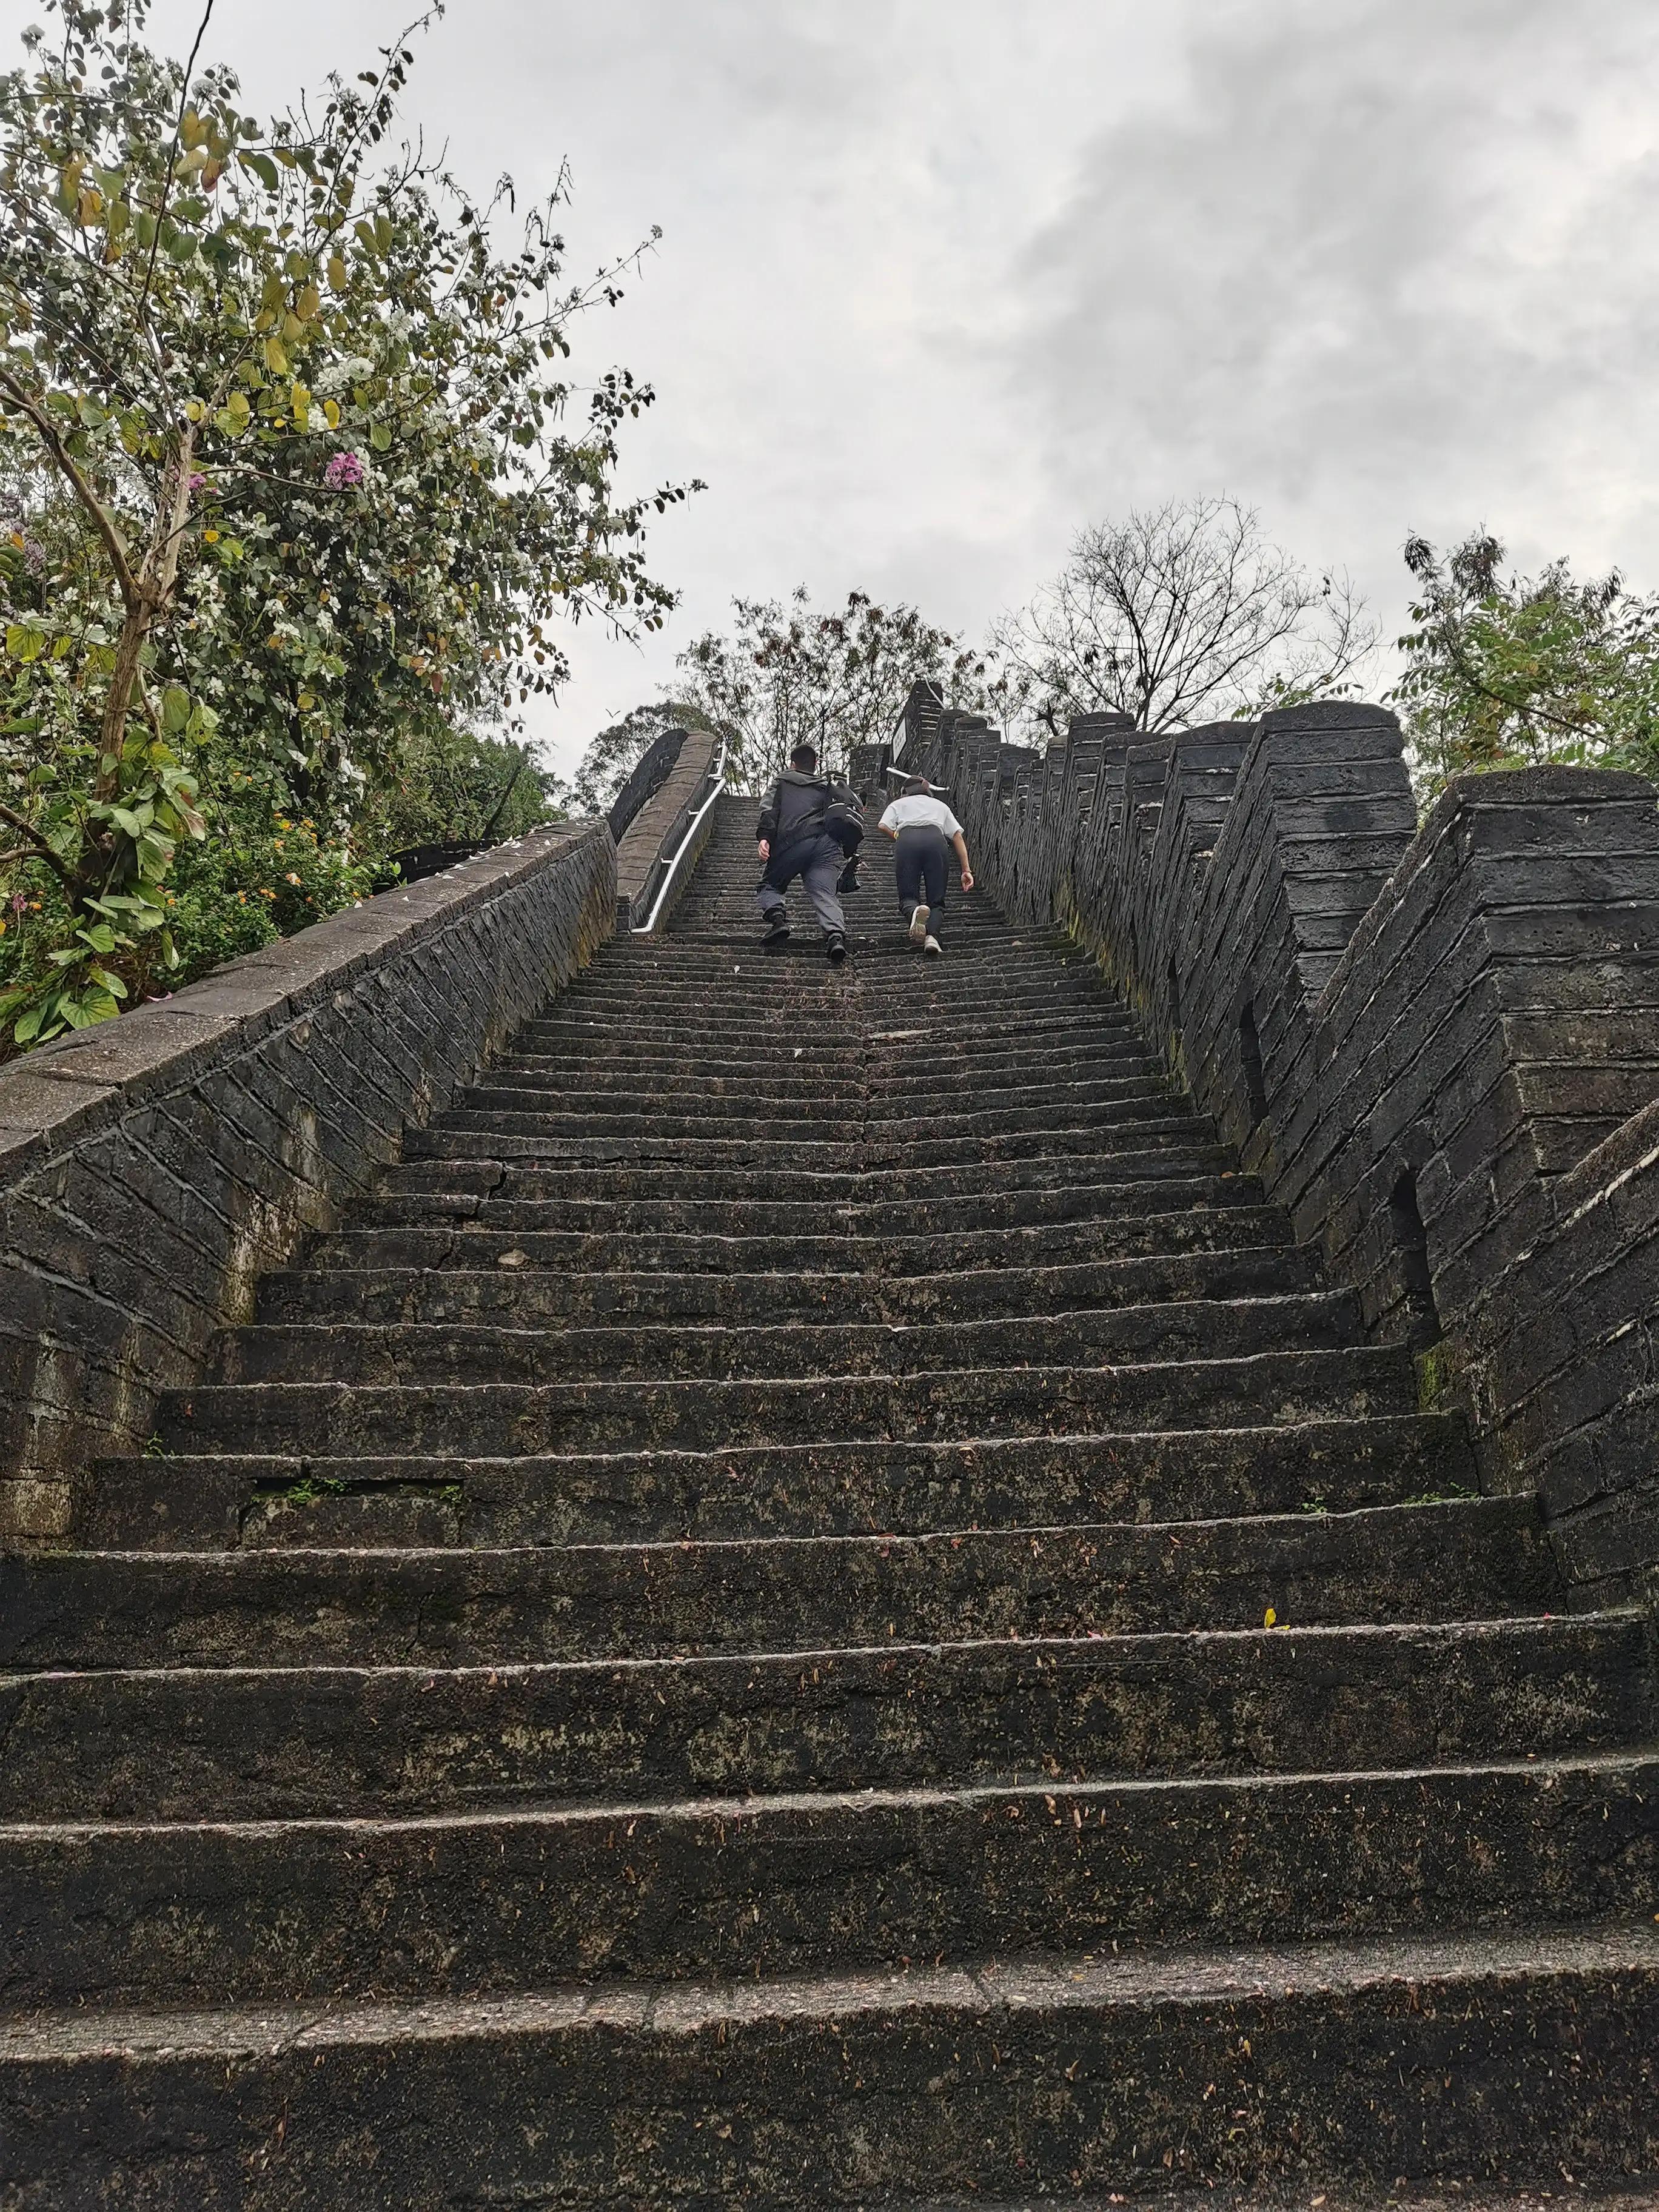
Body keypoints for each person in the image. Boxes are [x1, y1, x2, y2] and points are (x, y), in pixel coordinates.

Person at [754, 742, 857, 965]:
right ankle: (835, 937)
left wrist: (765, 838)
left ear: (793, 764)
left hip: (792, 844)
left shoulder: (782, 782)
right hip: (826, 847)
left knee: (769, 885)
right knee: (825, 893)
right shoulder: (827, 786)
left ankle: (779, 921)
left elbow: (769, 811)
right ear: (816, 764)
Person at [877, 776, 974, 956]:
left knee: (907, 895)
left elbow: (882, 825)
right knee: (937, 900)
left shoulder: (898, 804)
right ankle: (932, 938)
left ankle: (914, 912)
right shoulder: (939, 805)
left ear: (905, 792)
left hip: (907, 841)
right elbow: (957, 836)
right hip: (935, 840)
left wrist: (897, 836)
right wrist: (966, 870)